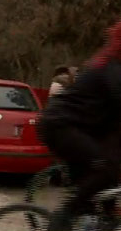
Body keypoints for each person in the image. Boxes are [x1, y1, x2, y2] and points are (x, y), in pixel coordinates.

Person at [37, 21, 121, 231]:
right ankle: (63, 216)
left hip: (77, 127)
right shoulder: (112, 69)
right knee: (105, 167)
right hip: (61, 126)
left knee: (108, 181)